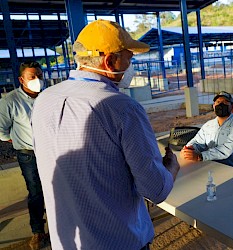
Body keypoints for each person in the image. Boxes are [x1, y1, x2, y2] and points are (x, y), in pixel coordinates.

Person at [31, 19, 180, 250]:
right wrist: (171, 167)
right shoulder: (122, 108)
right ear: (110, 61)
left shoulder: (44, 100)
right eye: (129, 58)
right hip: (119, 242)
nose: (131, 65)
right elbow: (155, 189)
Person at [0, 61, 48, 249]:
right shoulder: (10, 101)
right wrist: (18, 140)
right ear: (21, 79)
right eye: (32, 77)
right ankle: (38, 231)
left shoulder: (48, 97)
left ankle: (58, 223)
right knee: (36, 193)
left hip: (51, 153)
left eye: (40, 76)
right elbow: (2, 131)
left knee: (56, 189)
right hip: (28, 155)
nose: (37, 80)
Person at [180, 91, 233, 170]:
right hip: (212, 165)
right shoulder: (208, 125)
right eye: (218, 102)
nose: (221, 104)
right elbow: (197, 141)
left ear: (232, 106)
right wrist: (188, 149)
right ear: (213, 106)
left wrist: (200, 156)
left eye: (225, 102)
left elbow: (226, 149)